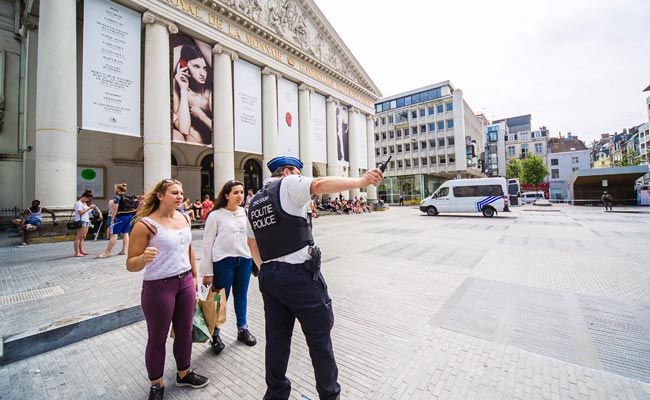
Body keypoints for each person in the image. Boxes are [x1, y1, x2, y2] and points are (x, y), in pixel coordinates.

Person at [246, 155, 383, 400]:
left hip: (269, 278)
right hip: (300, 278)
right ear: (288, 172)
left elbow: (251, 242)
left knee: (277, 341)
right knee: (320, 341)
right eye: (300, 174)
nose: (303, 181)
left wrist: (266, 270)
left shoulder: (255, 200)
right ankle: (330, 396)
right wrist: (361, 181)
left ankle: (276, 394)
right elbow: (319, 184)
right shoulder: (288, 184)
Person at [126, 178, 209, 400]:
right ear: (160, 196)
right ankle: (156, 383)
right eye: (174, 193)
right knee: (157, 337)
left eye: (181, 192)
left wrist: (194, 276)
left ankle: (184, 373)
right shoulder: (145, 225)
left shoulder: (184, 218)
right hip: (158, 286)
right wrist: (142, 258)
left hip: (185, 284)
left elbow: (188, 248)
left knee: (184, 333)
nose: (180, 196)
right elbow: (130, 264)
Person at [201, 180, 257, 355]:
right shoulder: (216, 215)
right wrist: (207, 272)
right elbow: (207, 244)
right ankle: (215, 335)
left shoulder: (246, 213)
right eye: (235, 193)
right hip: (223, 261)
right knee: (219, 298)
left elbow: (253, 239)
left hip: (244, 260)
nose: (240, 196)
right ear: (226, 195)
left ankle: (242, 328)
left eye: (241, 192)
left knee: (241, 295)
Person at [172, 43, 213, 145]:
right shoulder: (178, 87)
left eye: (204, 68)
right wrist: (183, 90)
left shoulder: (210, 94)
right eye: (196, 67)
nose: (202, 73)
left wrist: (201, 116)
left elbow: (223, 132)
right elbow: (184, 129)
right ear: (184, 66)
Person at [97, 183, 134, 258]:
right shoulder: (128, 197)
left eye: (115, 188)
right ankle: (124, 250)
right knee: (125, 233)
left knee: (114, 235)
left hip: (120, 217)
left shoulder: (117, 197)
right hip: (129, 216)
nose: (114, 190)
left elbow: (115, 209)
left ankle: (107, 252)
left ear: (118, 189)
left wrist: (112, 219)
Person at [73, 191, 96, 257]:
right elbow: (80, 212)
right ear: (84, 197)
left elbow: (86, 213)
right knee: (79, 236)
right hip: (81, 221)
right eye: (87, 199)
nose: (88, 200)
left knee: (83, 237)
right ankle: (76, 252)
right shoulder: (78, 203)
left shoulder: (84, 204)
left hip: (86, 220)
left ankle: (81, 250)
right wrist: (89, 208)